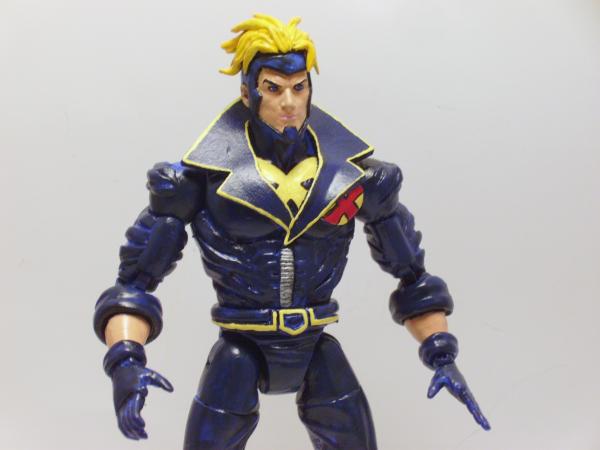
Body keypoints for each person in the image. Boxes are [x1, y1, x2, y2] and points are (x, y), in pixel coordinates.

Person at [93, 13, 490, 450]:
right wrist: (125, 360)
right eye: (273, 88)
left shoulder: (355, 177)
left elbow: (411, 274)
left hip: (316, 343)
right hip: (242, 344)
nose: (289, 102)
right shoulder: (198, 179)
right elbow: (134, 284)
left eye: (299, 87)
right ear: (248, 92)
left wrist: (440, 352)